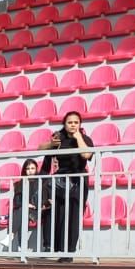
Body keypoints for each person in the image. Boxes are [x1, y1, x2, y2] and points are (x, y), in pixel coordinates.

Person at [43, 111, 93, 261]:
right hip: (61, 181)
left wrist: (78, 137)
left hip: (78, 180)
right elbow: (40, 149)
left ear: (80, 124)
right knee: (58, 214)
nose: (73, 125)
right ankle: (58, 249)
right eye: (70, 122)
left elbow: (86, 155)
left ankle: (69, 252)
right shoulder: (59, 138)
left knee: (73, 216)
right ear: (64, 124)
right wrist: (51, 144)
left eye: (76, 122)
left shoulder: (85, 138)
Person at [9, 158, 44, 252]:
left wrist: (32, 205)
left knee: (21, 212)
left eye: (32, 168)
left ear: (36, 169)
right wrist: (25, 204)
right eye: (28, 169)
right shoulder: (19, 184)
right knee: (22, 212)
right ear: (24, 170)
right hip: (24, 210)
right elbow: (16, 201)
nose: (30, 171)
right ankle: (21, 248)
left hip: (37, 210)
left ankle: (11, 236)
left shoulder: (41, 182)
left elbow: (43, 199)